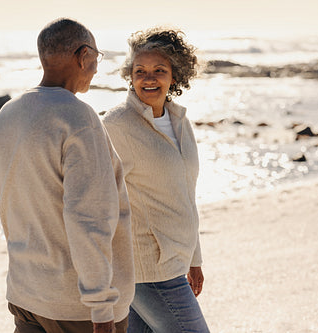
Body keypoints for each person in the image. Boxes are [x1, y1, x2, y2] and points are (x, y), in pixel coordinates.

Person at [0, 18, 134, 333]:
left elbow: (7, 202)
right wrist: (101, 307)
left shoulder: (8, 114)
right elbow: (90, 218)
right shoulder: (79, 118)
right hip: (75, 307)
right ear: (83, 56)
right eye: (96, 58)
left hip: (26, 293)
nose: (96, 68)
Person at [102, 27, 209, 332]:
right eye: (140, 71)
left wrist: (194, 258)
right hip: (146, 268)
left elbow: (186, 195)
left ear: (174, 76)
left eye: (159, 70)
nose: (148, 78)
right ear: (130, 75)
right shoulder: (115, 125)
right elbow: (97, 197)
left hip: (175, 261)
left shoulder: (180, 121)